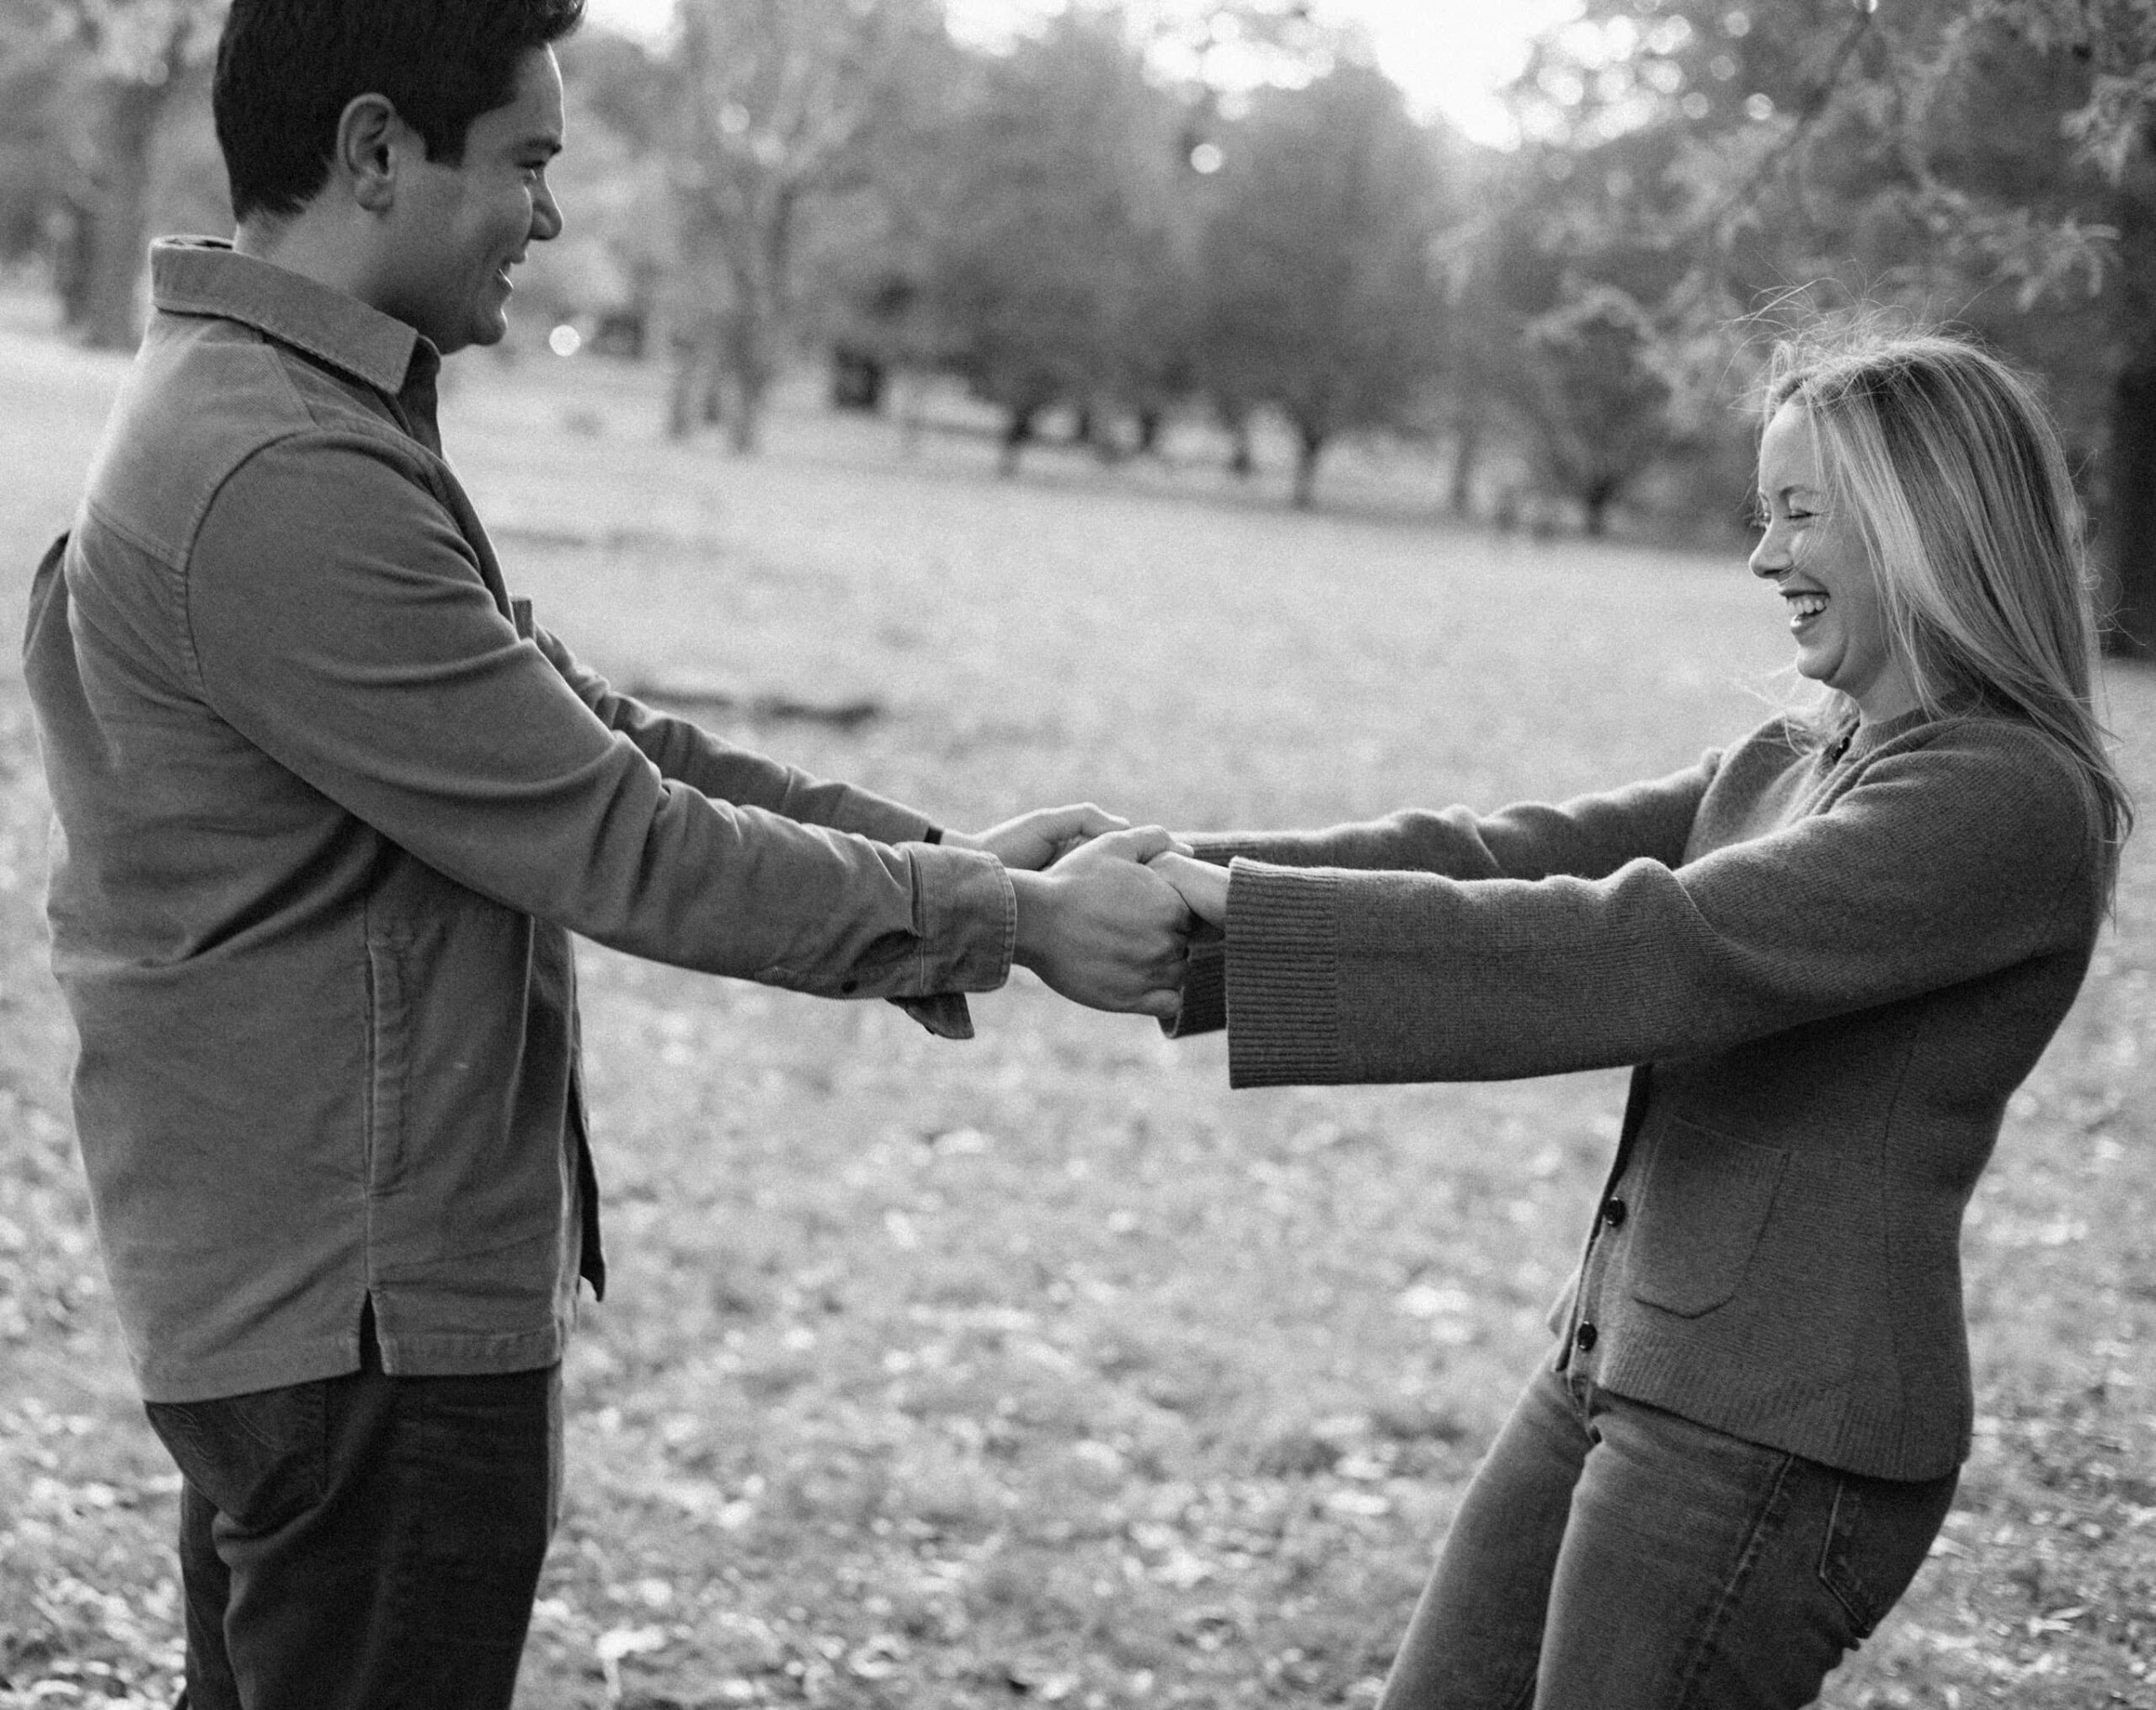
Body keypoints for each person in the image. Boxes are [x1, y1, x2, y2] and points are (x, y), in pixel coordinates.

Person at [20, 3, 1189, 1705]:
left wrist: (938, 859)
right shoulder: (278, 467)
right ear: (372, 151)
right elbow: (620, 838)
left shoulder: (284, 415)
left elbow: (597, 730)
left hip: (316, 1301)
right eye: (529, 162)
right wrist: (1004, 922)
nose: (551, 218)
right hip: (362, 1330)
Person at [1149, 328, 2132, 1709]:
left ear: (1925, 521)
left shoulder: (2006, 800)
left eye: (1803, 511)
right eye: (1761, 510)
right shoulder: (1802, 758)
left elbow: (1657, 951)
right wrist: (1188, 884)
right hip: (1620, 1367)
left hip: (1778, 1440)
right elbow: (1509, 855)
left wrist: (1247, 935)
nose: (1763, 554)